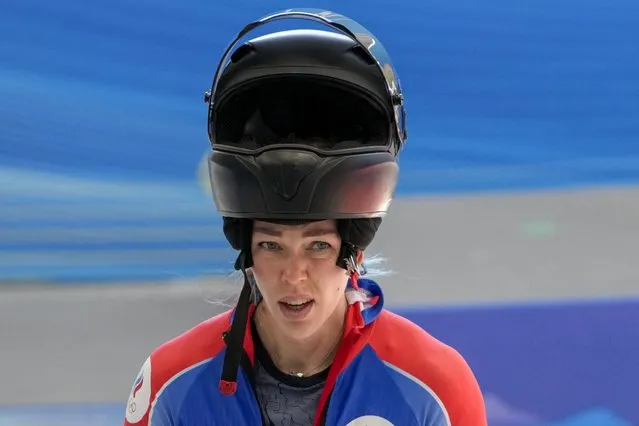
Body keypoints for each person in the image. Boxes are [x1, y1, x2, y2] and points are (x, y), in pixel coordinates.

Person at [123, 8, 487, 426]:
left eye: (318, 246)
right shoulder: (171, 385)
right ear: (246, 254)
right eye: (271, 246)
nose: (293, 275)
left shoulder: (435, 387)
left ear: (355, 253)